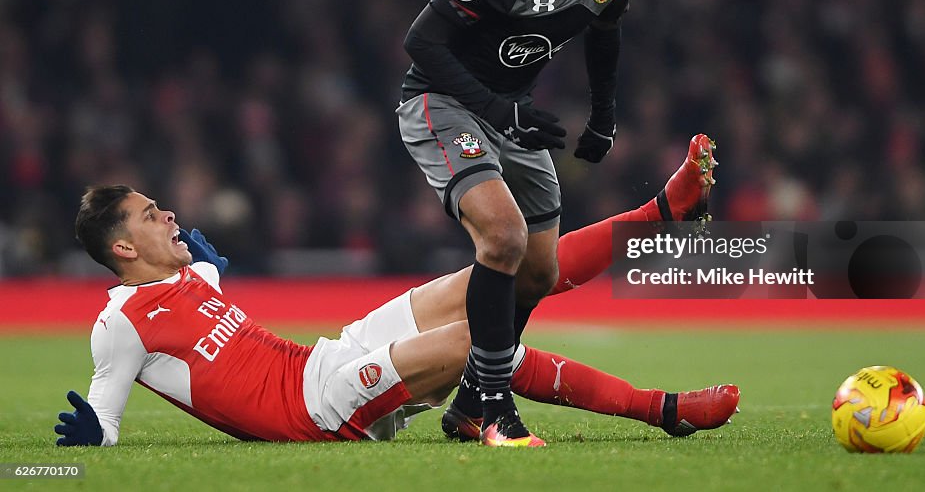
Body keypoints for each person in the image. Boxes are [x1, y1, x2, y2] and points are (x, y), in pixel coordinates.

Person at [54, 139, 738, 447]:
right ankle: (662, 409)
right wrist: (81, 446)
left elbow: (207, 312)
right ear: (121, 248)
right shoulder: (120, 324)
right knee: (484, 332)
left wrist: (207, 271)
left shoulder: (189, 276)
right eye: (151, 215)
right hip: (317, 408)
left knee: (497, 277)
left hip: (329, 358)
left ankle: (659, 215)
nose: (169, 215)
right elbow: (106, 423)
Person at [397, 0, 638, 446]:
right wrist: (496, 108)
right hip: (442, 103)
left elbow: (605, 35)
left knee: (538, 271)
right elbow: (421, 42)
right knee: (502, 237)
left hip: (509, 116)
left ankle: (474, 400)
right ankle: (493, 407)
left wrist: (604, 116)